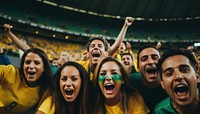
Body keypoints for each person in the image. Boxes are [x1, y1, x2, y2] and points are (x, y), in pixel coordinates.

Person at [4, 16, 134, 80]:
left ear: (106, 53)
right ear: (87, 53)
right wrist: (10, 34)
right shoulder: (78, 67)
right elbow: (31, 52)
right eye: (92, 46)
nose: (96, 48)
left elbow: (116, 46)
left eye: (100, 46)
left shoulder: (110, 71)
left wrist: (125, 26)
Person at [85, 56, 150, 114]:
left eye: (114, 73)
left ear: (122, 79)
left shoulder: (134, 100)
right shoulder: (92, 102)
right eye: (103, 74)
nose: (108, 77)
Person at [23, 61, 90, 114]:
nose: (68, 83)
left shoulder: (86, 104)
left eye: (74, 79)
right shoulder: (51, 102)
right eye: (64, 79)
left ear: (83, 83)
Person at [0, 48, 54, 114]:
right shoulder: (10, 72)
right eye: (27, 62)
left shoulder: (44, 91)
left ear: (44, 68)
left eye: (36, 63)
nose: (31, 66)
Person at [153, 49, 200, 114]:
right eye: (169, 73)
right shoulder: (160, 112)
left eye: (184, 70)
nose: (178, 76)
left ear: (197, 77)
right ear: (163, 84)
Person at [128, 44, 168, 114]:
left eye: (154, 57)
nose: (150, 62)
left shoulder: (171, 84)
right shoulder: (130, 81)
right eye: (144, 59)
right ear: (137, 67)